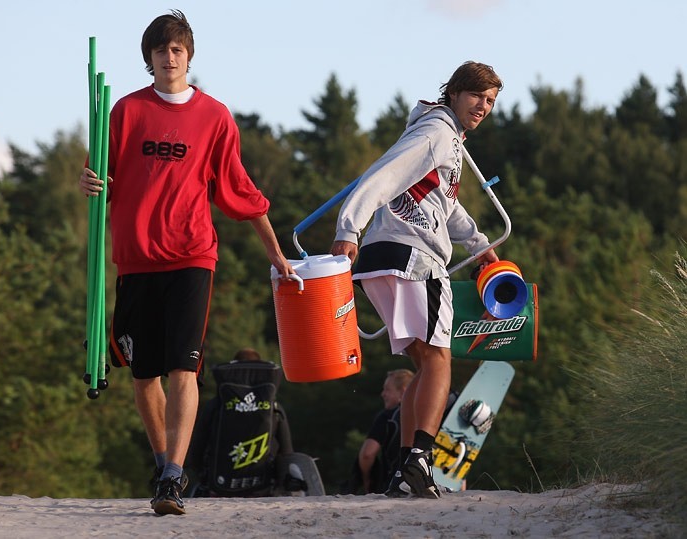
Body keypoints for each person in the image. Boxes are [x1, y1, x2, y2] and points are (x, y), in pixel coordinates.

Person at [78, 11, 293, 515]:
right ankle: (162, 465)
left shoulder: (214, 116)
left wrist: (276, 252)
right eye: (160, 50)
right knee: (142, 374)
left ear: (189, 56)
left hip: (192, 254)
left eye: (176, 49)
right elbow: (99, 180)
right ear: (148, 59)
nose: (169, 57)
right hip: (136, 259)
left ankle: (175, 476)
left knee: (183, 367)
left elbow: (240, 190)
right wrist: (90, 184)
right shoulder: (125, 112)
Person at [331, 61, 503, 499]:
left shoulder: (445, 138)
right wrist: (348, 227)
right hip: (413, 258)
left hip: (383, 260)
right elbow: (383, 175)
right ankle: (420, 459)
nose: (483, 107)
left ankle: (400, 470)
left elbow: (446, 208)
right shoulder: (437, 132)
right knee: (441, 361)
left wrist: (479, 246)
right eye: (477, 97)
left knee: (423, 365)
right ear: (455, 93)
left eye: (491, 101)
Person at [186, 348, 295, 497]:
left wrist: (203, 475)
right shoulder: (274, 408)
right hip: (262, 487)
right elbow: (287, 452)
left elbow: (196, 449)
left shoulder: (216, 405)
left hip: (219, 487)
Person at [358, 369, 414, 493]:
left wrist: (367, 479)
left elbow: (367, 454)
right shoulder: (427, 417)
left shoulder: (388, 417)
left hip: (393, 484)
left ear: (403, 393)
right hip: (426, 482)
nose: (382, 394)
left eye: (387, 390)